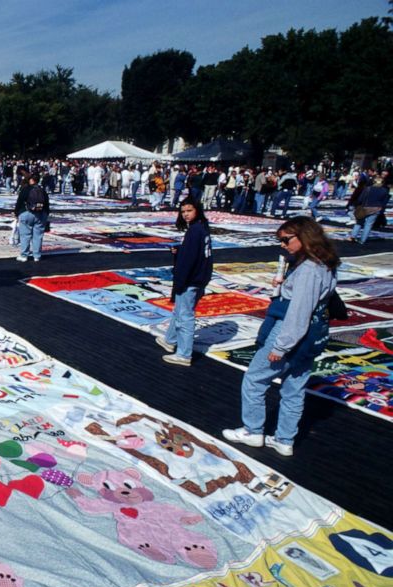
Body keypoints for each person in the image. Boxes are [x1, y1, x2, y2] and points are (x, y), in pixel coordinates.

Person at [222, 217, 339, 457]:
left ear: (304, 237)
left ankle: (253, 430)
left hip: (290, 333)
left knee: (255, 380)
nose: (283, 245)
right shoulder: (322, 264)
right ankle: (285, 439)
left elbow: (299, 312)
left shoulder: (309, 269)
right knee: (294, 387)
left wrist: (281, 346)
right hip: (312, 335)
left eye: (286, 240)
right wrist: (286, 284)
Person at [156, 198, 213, 366]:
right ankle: (170, 339)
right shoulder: (201, 227)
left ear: (197, 210)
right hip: (199, 277)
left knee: (185, 316)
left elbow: (188, 260)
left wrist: (179, 281)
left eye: (189, 210)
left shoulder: (195, 231)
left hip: (190, 279)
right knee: (180, 311)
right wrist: (180, 250)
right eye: (183, 211)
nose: (186, 214)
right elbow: (196, 253)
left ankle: (184, 353)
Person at [15, 172, 50, 262]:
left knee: (25, 235)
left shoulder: (25, 189)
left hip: (26, 213)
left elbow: (19, 202)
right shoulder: (42, 190)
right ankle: (37, 255)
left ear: (30, 179)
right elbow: (47, 204)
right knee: (38, 236)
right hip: (40, 214)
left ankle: (24, 255)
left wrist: (17, 213)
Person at [350, 175, 390, 244]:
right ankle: (362, 240)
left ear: (373, 182)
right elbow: (384, 202)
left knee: (359, 222)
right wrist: (381, 210)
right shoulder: (385, 191)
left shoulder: (368, 189)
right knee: (368, 225)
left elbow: (360, 199)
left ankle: (353, 236)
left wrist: (357, 205)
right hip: (376, 209)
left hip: (365, 208)